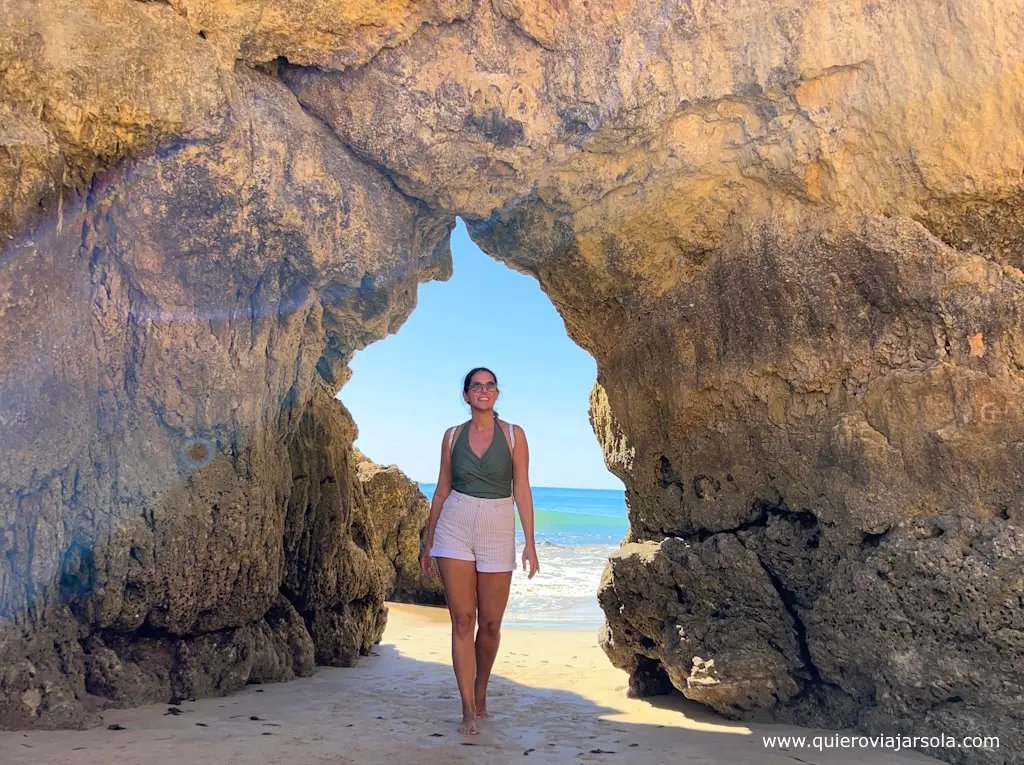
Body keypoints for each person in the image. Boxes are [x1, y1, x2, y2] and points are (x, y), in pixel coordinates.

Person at [419, 366, 539, 735]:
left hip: (498, 525)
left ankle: (481, 691)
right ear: (466, 395)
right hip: (455, 521)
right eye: (476, 386)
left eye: (490, 386)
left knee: (489, 624)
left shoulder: (515, 436)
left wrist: (530, 542)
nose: (483, 391)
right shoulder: (452, 436)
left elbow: (522, 489)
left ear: (497, 394)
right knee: (462, 620)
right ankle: (467, 709)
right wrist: (429, 540)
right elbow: (441, 490)